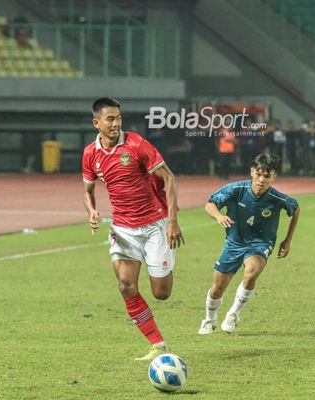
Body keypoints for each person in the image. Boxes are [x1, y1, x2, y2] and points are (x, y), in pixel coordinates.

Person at [82, 97, 184, 360]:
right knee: (126, 285)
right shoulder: (90, 154)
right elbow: (88, 190)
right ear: (96, 123)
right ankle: (158, 344)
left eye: (119, 118)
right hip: (123, 229)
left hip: (155, 225)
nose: (116, 123)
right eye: (110, 119)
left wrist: (172, 220)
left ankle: (163, 262)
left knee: (161, 293)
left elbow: (169, 178)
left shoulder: (136, 144)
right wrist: (92, 210)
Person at [197, 153, 300, 335]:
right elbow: (210, 204)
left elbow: (296, 208)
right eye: (258, 174)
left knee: (251, 273)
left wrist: (288, 240)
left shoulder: (278, 199)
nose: (261, 180)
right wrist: (219, 216)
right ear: (252, 171)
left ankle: (233, 314)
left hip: (260, 243)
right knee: (217, 288)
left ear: (274, 177)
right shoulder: (235, 189)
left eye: (267, 176)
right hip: (234, 242)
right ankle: (209, 319)